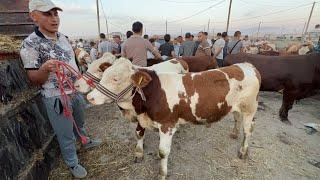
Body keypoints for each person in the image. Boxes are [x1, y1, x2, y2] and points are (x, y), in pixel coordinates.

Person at [20, 0, 101, 178]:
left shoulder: (63, 37)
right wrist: (44, 69)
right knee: (65, 133)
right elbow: (34, 78)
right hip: (55, 96)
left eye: (55, 13)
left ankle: (85, 141)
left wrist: (82, 81)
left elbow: (73, 63)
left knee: (79, 121)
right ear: (34, 16)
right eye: (47, 14)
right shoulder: (30, 44)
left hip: (75, 91)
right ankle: (72, 163)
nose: (54, 18)